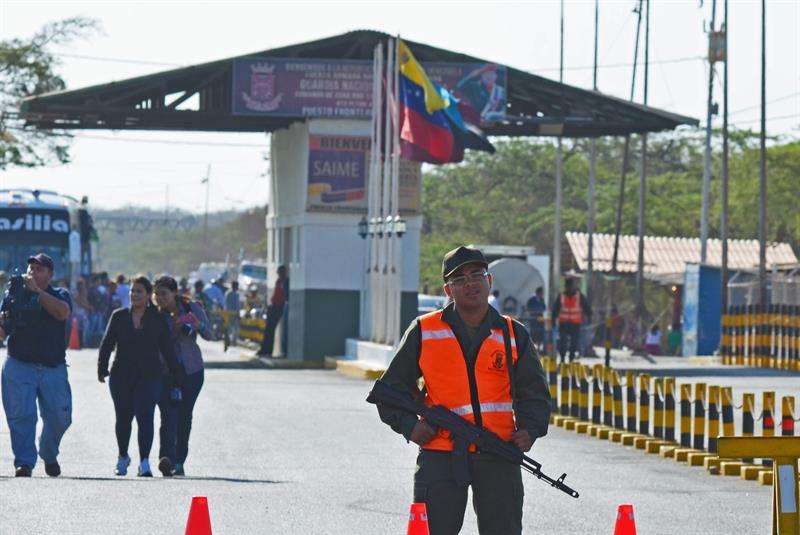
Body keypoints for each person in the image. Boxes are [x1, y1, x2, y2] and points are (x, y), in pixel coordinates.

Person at [373, 246, 551, 535]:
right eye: (460, 279)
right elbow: (389, 390)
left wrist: (530, 430)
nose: (470, 283)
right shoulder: (424, 330)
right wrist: (410, 427)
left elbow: (535, 393)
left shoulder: (512, 333)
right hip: (440, 454)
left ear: (489, 281)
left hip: (499, 453)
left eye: (477, 275)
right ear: (448, 290)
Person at [97, 276, 181, 477]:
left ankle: (144, 462)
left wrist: (176, 377)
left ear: (147, 295)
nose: (134, 295)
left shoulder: (158, 319)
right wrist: (102, 368)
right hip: (121, 376)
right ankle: (123, 456)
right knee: (123, 418)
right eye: (132, 291)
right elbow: (107, 344)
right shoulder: (119, 316)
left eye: (139, 292)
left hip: (150, 376)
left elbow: (168, 350)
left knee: (145, 417)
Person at [0, 253, 72, 477]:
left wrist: (37, 293)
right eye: (31, 268)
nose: (33, 272)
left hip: (52, 367)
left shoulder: (59, 294)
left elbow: (62, 313)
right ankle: (24, 462)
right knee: (21, 416)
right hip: (19, 364)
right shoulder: (14, 294)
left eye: (40, 269)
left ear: (50, 274)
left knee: (61, 417)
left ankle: (48, 453)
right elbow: (3, 331)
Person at [154, 275, 212, 477]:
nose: (159, 298)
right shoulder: (154, 314)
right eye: (156, 294)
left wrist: (197, 325)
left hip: (191, 371)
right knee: (168, 415)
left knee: (184, 416)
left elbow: (210, 334)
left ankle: (179, 460)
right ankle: (166, 459)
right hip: (165, 372)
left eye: (164, 294)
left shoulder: (191, 308)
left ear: (174, 293)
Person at [551, 277, 591, 363]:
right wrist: (553, 321)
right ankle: (562, 358)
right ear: (565, 287)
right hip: (563, 323)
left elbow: (587, 308)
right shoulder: (561, 296)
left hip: (575, 324)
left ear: (573, 286)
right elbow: (555, 310)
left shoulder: (579, 296)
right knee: (563, 342)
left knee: (574, 342)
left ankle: (571, 359)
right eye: (567, 286)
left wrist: (589, 318)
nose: (569, 288)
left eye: (570, 286)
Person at [258, 265, 288, 357]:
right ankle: (265, 349)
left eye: (280, 272)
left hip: (279, 307)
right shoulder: (278, 281)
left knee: (271, 328)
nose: (278, 274)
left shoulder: (286, 282)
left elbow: (286, 295)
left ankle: (268, 350)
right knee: (268, 329)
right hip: (273, 305)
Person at [525, 286, 547, 353]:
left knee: (540, 333)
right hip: (533, 319)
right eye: (541, 293)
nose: (542, 294)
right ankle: (533, 347)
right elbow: (528, 308)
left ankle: (539, 347)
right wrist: (534, 312)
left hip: (540, 319)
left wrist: (540, 311)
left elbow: (544, 307)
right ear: (538, 292)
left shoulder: (542, 299)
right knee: (533, 333)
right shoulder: (532, 299)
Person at [224, 281, 241, 346]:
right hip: (233, 314)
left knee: (231, 328)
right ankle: (232, 341)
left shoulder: (228, 293)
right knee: (234, 328)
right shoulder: (235, 294)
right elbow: (237, 305)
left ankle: (231, 341)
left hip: (229, 313)